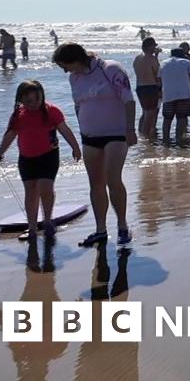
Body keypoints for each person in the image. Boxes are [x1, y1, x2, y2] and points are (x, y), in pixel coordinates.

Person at [52, 43, 136, 247]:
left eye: (66, 65)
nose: (65, 70)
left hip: (116, 134)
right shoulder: (75, 78)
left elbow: (129, 100)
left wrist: (130, 129)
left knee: (112, 180)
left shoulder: (110, 69)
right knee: (95, 184)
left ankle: (123, 226)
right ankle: (100, 230)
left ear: (76, 59)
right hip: (90, 136)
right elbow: (78, 105)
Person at [0, 81, 82, 241]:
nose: (33, 104)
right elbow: (10, 136)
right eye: (28, 102)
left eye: (36, 100)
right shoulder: (18, 115)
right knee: (31, 192)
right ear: (21, 100)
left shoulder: (52, 111)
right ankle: (31, 228)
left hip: (49, 155)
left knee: (45, 187)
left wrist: (75, 147)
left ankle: (47, 221)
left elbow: (64, 129)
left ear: (42, 97)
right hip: (26, 158)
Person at [158, 48, 190, 142]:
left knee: (167, 119)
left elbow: (158, 80)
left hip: (168, 95)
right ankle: (179, 139)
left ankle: (166, 140)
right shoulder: (187, 62)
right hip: (184, 94)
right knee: (181, 118)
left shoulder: (163, 63)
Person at [132, 37, 161, 140]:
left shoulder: (137, 58)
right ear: (150, 47)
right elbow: (157, 73)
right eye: (154, 46)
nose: (155, 48)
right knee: (151, 113)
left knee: (145, 112)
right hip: (150, 87)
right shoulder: (151, 59)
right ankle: (146, 138)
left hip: (140, 87)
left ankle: (141, 133)